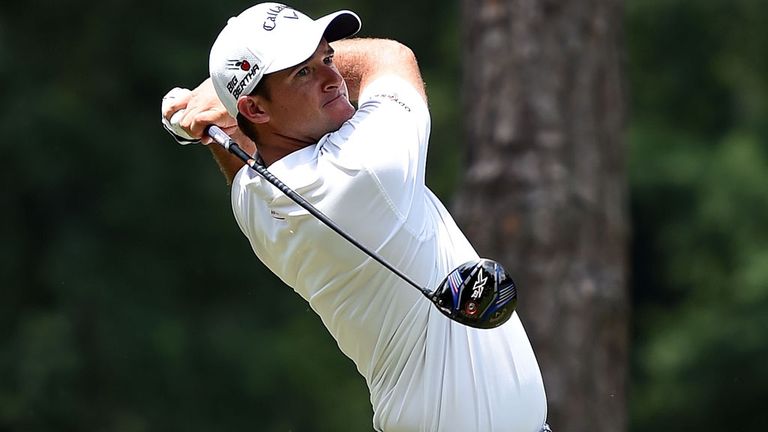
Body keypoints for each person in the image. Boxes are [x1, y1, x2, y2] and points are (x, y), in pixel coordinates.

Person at [161, 3, 549, 431]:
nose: (332, 78)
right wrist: (214, 95)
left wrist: (219, 117)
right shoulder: (363, 169)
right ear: (255, 109)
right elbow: (389, 57)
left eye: (327, 57)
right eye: (303, 73)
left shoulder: (256, 203)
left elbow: (244, 157)